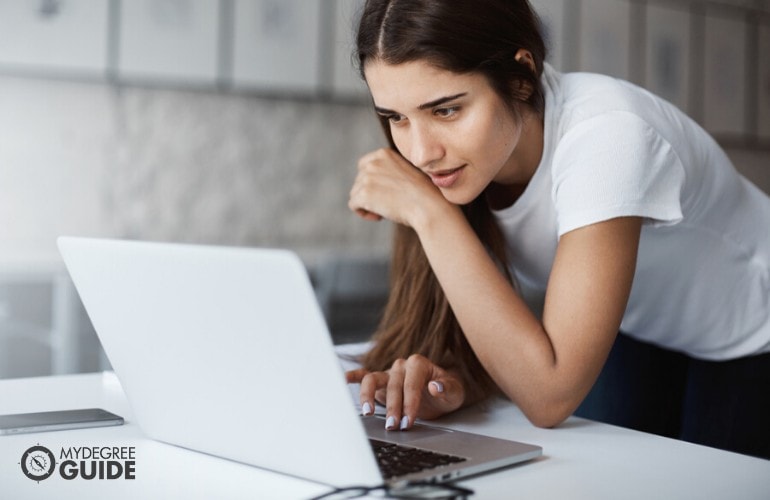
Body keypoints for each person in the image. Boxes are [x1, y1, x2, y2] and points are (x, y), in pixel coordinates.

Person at [344, 0, 770, 459]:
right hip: (642, 323)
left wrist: (429, 214)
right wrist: (453, 384)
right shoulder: (470, 165)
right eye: (396, 118)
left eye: (446, 111)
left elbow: (549, 394)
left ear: (519, 77)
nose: (421, 153)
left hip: (750, 329)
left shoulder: (607, 137)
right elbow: (510, 345)